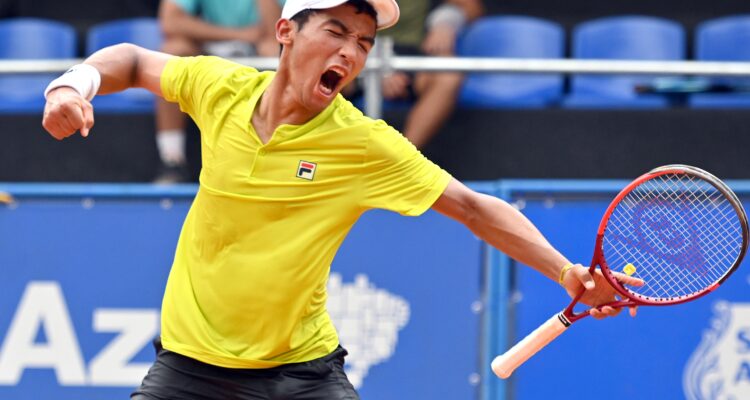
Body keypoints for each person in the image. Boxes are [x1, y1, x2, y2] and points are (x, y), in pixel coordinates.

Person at [41, 1, 643, 398]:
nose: (351, 53)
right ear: (285, 32)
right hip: (189, 370)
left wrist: (565, 271)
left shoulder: (361, 142)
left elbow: (473, 206)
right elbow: (132, 60)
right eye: (335, 31)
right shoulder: (219, 88)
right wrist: (73, 85)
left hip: (301, 377)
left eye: (362, 41)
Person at [154, 0, 282, 183]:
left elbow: (276, 33)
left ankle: (276, 159)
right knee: (175, 50)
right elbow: (170, 22)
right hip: (209, 49)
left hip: (260, 51)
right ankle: (171, 160)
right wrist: (240, 35)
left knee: (274, 50)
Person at [351, 0, 484, 148]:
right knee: (327, 70)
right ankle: (327, 157)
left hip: (410, 55)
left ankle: (399, 159)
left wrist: (445, 23)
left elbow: (470, 7)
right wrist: (372, 64)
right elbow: (329, 18)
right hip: (353, 51)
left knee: (448, 77)